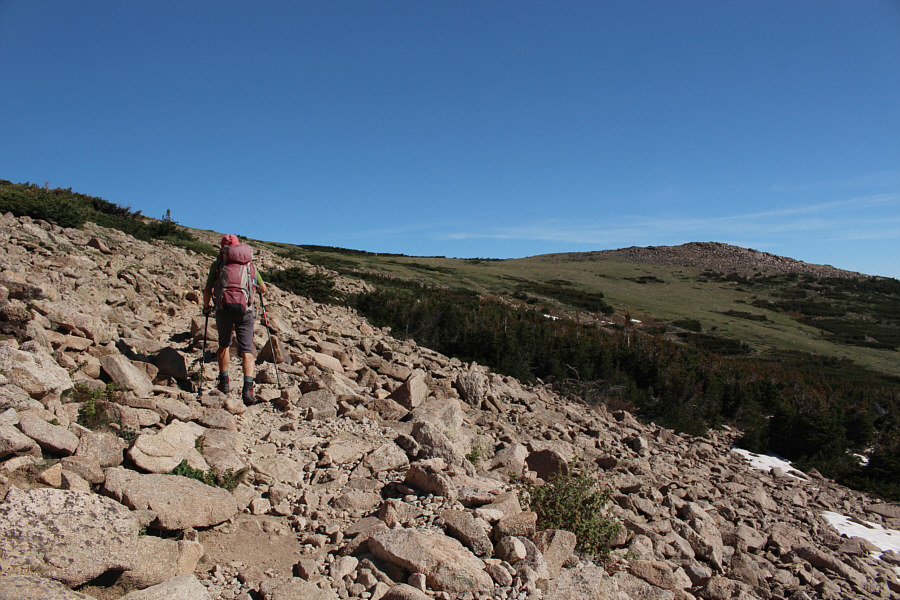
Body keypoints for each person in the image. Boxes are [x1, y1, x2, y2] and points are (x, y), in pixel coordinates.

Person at [202, 234, 267, 403]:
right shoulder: (250, 265)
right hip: (245, 311)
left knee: (224, 345)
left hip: (223, 309)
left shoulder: (217, 265)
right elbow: (263, 288)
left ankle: (224, 382)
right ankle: (248, 389)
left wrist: (206, 306)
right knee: (247, 350)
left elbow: (208, 289)